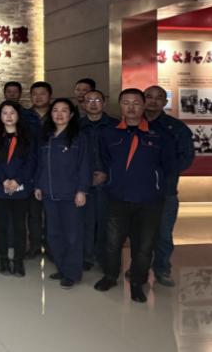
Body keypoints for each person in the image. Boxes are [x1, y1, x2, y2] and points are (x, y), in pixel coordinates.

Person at [94, 88, 176, 303]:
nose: (131, 107)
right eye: (126, 102)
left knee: (144, 246)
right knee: (113, 242)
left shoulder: (160, 134)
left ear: (144, 105)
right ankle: (110, 276)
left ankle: (138, 282)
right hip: (117, 198)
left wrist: (158, 187)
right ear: (120, 105)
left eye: (136, 103)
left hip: (150, 201)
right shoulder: (109, 133)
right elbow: (104, 161)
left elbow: (169, 165)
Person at [139, 85, 195, 287]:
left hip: (165, 191)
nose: (153, 101)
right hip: (136, 191)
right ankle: (138, 269)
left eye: (158, 97)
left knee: (163, 234)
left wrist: (162, 171)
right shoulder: (132, 124)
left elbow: (186, 158)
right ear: (143, 100)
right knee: (138, 234)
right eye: (149, 96)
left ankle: (162, 270)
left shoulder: (176, 128)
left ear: (165, 102)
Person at [34, 99, 91, 290]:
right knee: (54, 234)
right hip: (49, 192)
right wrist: (38, 185)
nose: (59, 114)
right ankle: (62, 267)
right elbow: (40, 164)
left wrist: (82, 190)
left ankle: (72, 273)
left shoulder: (79, 137)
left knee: (73, 235)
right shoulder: (45, 136)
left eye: (64, 110)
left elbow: (84, 166)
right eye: (55, 110)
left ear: (72, 114)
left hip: (71, 194)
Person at [0, 101, 36, 277]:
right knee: (1, 224)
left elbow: (31, 162)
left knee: (20, 225)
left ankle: (18, 259)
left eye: (12, 113)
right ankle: (3, 257)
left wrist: (17, 180)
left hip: (21, 189)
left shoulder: (28, 137)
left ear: (18, 116)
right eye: (5, 113)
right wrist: (4, 180)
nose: (8, 116)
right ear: (0, 116)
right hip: (0, 188)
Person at [79, 90, 119, 272]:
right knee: (85, 221)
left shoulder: (116, 126)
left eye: (97, 100)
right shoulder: (76, 126)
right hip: (83, 182)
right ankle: (87, 256)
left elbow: (121, 156)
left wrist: (105, 173)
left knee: (106, 222)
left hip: (109, 183)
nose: (93, 103)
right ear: (83, 104)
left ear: (104, 103)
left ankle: (104, 257)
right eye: (89, 100)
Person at [23, 81, 52, 260]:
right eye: (35, 93)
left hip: (52, 170)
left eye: (42, 93)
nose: (38, 97)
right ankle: (34, 244)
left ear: (50, 96)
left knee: (50, 212)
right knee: (33, 212)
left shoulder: (56, 115)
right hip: (31, 169)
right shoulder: (24, 116)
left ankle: (49, 245)